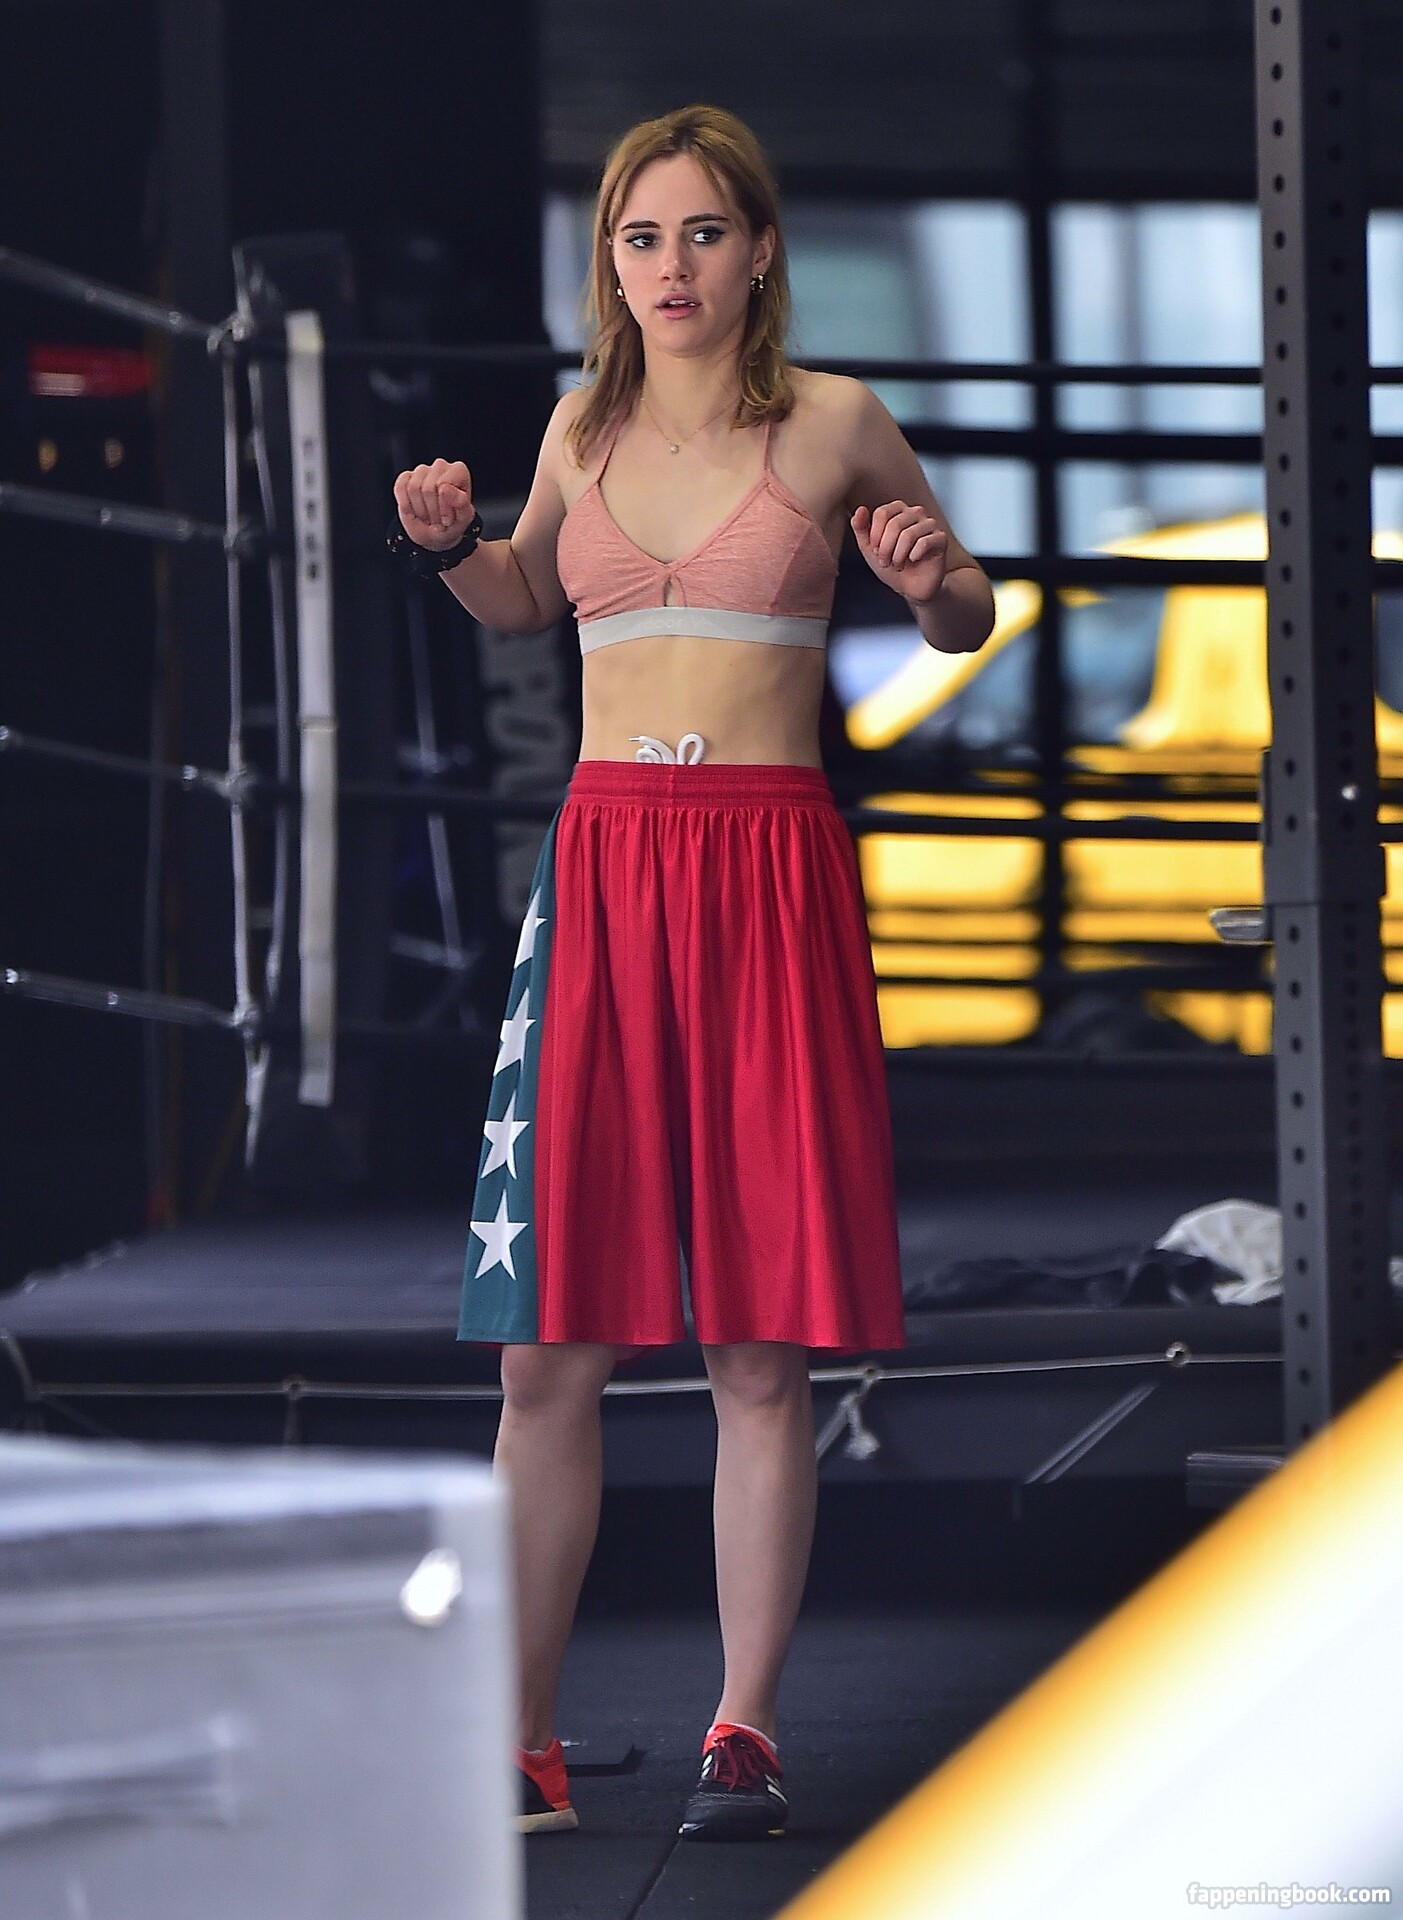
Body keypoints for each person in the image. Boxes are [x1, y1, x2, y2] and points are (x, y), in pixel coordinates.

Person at [391, 102, 994, 1844]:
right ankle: (521, 1747)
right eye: (642, 238)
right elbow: (527, 598)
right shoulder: (579, 426)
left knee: (755, 1347)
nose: (672, 266)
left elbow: (967, 609)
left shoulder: (834, 420)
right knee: (543, 1357)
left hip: (764, 875)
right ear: (612, 261)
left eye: (704, 233)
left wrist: (933, 585)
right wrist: (453, 548)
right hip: (604, 876)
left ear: (761, 250)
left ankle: (745, 1727)